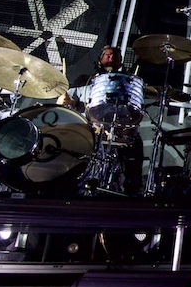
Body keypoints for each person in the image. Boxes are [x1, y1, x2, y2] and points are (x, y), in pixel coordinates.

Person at [57, 45, 144, 196]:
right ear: (100, 59)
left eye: (115, 56)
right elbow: (61, 104)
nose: (111, 58)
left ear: (120, 61)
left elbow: (133, 111)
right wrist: (68, 102)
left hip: (117, 130)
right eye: (108, 55)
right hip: (89, 130)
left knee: (135, 141)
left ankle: (132, 191)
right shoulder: (85, 81)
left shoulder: (125, 84)